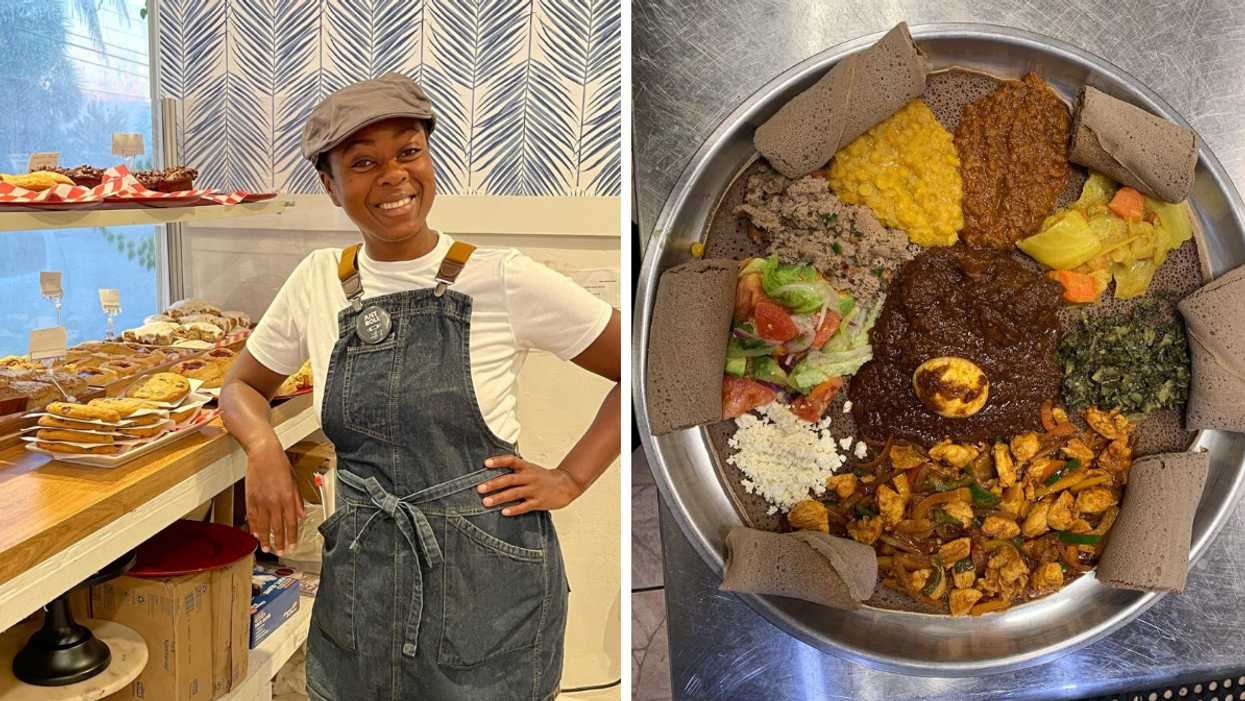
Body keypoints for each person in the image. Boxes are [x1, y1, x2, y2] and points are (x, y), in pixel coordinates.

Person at [220, 73, 620, 701]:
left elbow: (642, 368)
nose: (392, 176)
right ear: (330, 184)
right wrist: (263, 446)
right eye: (362, 163)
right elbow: (242, 385)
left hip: (486, 575)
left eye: (408, 152)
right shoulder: (318, 279)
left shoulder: (502, 278)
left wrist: (571, 479)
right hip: (364, 573)